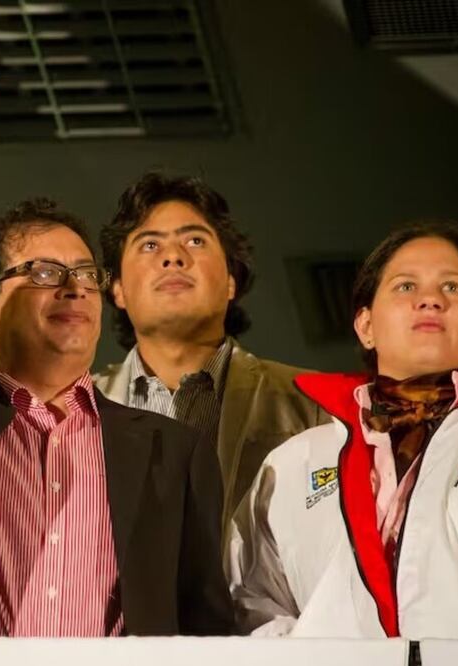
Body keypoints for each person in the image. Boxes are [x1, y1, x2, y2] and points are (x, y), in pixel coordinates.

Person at [0, 10, 233, 638]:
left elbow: (205, 626)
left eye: (84, 272)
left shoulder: (172, 451)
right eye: (45, 272)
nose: (75, 285)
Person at [229, 220, 458, 639]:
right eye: (405, 286)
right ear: (365, 326)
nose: (431, 300)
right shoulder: (293, 463)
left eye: (452, 287)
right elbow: (250, 603)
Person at [95, 172, 327, 528]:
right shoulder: (71, 409)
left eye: (195, 241)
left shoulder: (315, 402)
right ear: (118, 290)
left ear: (231, 281)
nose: (173, 256)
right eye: (149, 245)